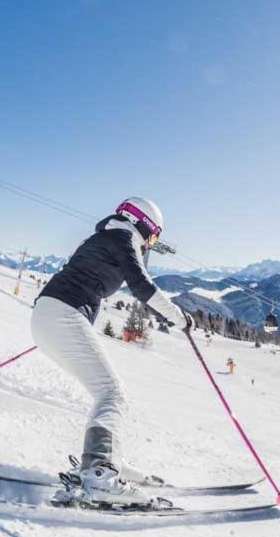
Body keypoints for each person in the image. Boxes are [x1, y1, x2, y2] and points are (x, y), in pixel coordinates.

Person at [32, 197, 194, 507]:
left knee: (106, 393)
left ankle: (108, 459)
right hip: (61, 316)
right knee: (112, 393)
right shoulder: (124, 238)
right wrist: (180, 319)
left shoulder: (101, 237)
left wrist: (55, 324)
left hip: (49, 315)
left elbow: (81, 281)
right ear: (144, 225)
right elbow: (142, 287)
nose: (151, 244)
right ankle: (100, 473)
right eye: (154, 236)